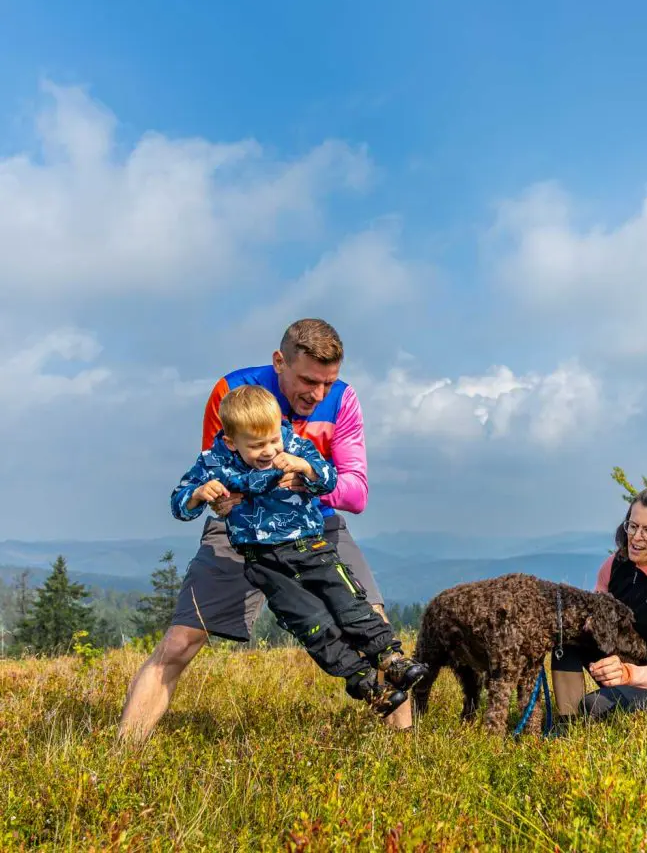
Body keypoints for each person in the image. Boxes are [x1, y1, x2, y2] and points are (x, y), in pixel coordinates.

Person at [118, 318, 408, 742]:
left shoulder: (344, 400)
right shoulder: (231, 391)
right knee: (181, 640)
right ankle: (120, 756)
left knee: (372, 621)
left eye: (328, 382)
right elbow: (219, 470)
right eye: (308, 380)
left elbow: (355, 493)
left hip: (314, 524)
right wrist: (220, 496)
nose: (318, 394)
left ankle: (406, 754)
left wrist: (307, 480)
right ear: (279, 362)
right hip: (243, 532)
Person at [170, 385, 427, 716]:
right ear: (232, 441)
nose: (269, 451)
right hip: (264, 562)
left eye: (273, 440)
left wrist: (304, 468)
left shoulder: (294, 447)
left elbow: (330, 479)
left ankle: (390, 658)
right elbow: (179, 504)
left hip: (311, 547)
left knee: (349, 601)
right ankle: (366, 685)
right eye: (257, 445)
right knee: (311, 624)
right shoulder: (213, 462)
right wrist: (199, 494)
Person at [551, 481, 647, 723]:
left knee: (594, 705)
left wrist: (625, 673)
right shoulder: (614, 566)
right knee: (566, 644)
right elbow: (594, 623)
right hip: (627, 664)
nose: (636, 537)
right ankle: (565, 726)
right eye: (632, 526)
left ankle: (587, 716)